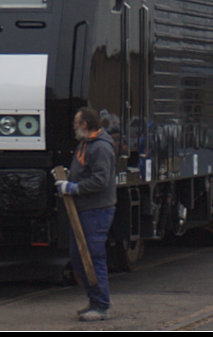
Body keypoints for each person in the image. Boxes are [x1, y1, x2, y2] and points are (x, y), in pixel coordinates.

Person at [55, 107, 117, 322]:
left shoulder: (99, 147)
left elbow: (101, 180)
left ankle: (101, 306)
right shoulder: (87, 144)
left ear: (84, 125)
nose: (73, 126)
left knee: (92, 257)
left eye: (76, 122)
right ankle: (96, 301)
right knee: (80, 257)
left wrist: (73, 187)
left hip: (96, 210)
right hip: (87, 210)